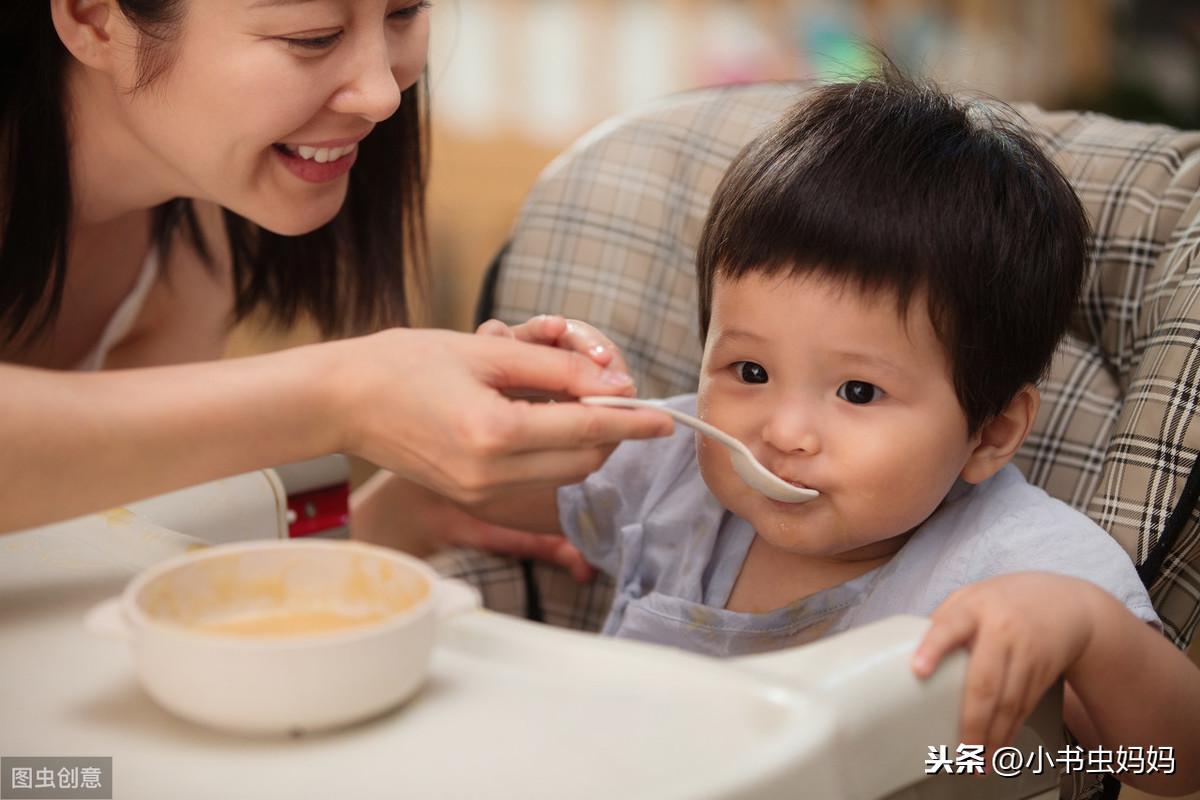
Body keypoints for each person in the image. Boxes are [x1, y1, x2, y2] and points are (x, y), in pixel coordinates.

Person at [461, 69, 1200, 794]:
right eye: (749, 371)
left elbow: (1177, 765)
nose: (783, 431)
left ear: (990, 433)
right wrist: (521, 414)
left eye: (857, 391)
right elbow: (481, 485)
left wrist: (1088, 629)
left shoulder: (1022, 566)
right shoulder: (674, 467)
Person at [0, 1, 672, 535]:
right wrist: (344, 396)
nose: (382, 95)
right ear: (94, 19)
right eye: (313, 36)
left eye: (405, 12)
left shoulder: (194, 218)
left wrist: (395, 523)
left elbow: (119, 541)